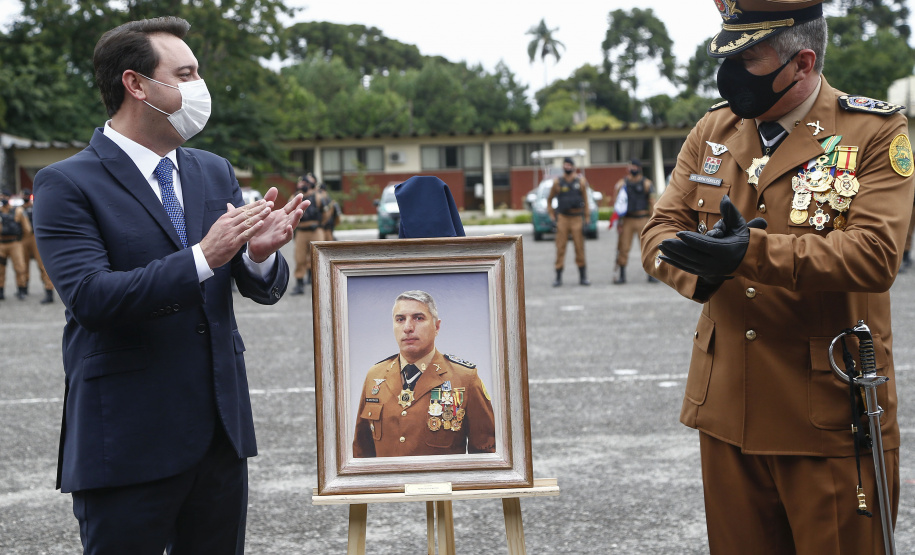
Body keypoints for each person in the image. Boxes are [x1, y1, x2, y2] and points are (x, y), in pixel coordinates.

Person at [640, 1, 911, 553]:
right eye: (729, 51)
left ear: (803, 63)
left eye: (750, 55)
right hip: (727, 411)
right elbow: (658, 230)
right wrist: (701, 271)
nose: (731, 68)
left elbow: (875, 255)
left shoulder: (873, 132)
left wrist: (751, 253)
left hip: (828, 415)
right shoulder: (714, 130)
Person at [32, 16, 308, 554]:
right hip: (127, 441)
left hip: (219, 435)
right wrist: (205, 255)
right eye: (184, 73)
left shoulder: (212, 170)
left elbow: (259, 286)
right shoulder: (67, 183)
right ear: (136, 84)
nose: (199, 86)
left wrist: (255, 256)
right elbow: (92, 297)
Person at [352, 290, 495, 458]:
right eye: (400, 319)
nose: (407, 328)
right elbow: (361, 453)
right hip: (388, 484)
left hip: (440, 484)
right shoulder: (375, 376)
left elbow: (485, 456)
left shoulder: (464, 378)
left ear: (437, 326)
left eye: (418, 318)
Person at [547, 157, 591, 286]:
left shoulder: (581, 181)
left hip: (577, 217)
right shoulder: (558, 182)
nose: (567, 167)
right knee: (560, 247)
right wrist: (551, 215)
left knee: (579, 247)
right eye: (565, 165)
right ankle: (558, 277)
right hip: (563, 218)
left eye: (569, 165)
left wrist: (587, 218)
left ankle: (583, 276)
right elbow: (549, 200)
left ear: (573, 166)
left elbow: (586, 201)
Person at [612, 159, 656, 284]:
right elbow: (618, 204)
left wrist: (653, 220)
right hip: (627, 220)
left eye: (636, 166)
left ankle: (651, 274)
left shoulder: (646, 183)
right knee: (623, 247)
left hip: (642, 218)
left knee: (646, 247)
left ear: (640, 168)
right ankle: (622, 274)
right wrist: (618, 222)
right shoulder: (622, 184)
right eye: (631, 166)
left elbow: (652, 202)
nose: (633, 169)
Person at [290, 173, 328, 294]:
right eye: (301, 183)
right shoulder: (295, 197)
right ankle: (299, 284)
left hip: (316, 230)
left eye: (305, 183)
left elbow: (326, 214)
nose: (302, 185)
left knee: (318, 258)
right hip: (301, 230)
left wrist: (320, 225)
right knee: (299, 257)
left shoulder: (318, 196)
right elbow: (289, 212)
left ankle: (320, 283)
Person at [19, 189, 55, 303]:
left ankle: (49, 290)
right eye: (23, 195)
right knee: (22, 265)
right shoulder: (18, 210)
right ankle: (23, 288)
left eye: (26, 195)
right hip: (22, 238)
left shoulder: (36, 206)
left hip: (35, 237)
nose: (24, 197)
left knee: (42, 265)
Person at [0, 188, 30, 300]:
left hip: (15, 243)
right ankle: (1, 291)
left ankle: (21, 289)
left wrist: (20, 240)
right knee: (0, 269)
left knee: (20, 267)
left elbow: (27, 228)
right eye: (1, 197)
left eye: (5, 196)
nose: (3, 199)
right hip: (1, 244)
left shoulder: (18, 211)